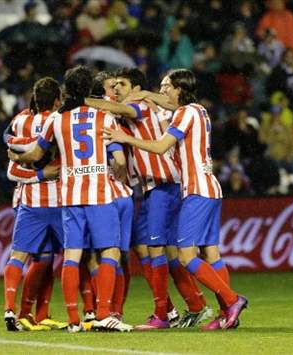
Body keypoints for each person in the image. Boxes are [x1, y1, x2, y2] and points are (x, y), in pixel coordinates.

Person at [103, 68, 248, 330]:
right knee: (211, 253)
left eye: (167, 86)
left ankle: (231, 300)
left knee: (185, 256)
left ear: (179, 90)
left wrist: (126, 138)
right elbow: (165, 104)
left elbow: (160, 147)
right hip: (210, 187)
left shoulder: (183, 113)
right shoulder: (200, 110)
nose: (163, 91)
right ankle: (227, 313)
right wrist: (147, 94)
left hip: (195, 189)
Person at [8, 65, 132, 333]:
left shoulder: (57, 120)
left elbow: (35, 154)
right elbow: (119, 160)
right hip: (99, 193)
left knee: (72, 256)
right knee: (109, 251)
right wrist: (119, 175)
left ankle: (74, 320)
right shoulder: (104, 117)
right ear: (90, 90)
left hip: (69, 195)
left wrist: (16, 156)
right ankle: (102, 314)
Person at [85, 68, 210, 330]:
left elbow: (127, 111)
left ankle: (162, 314)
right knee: (164, 251)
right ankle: (195, 305)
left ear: (136, 88)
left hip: (164, 185)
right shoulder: (133, 108)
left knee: (154, 250)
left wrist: (80, 100)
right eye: (114, 85)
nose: (116, 89)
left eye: (121, 84)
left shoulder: (141, 105)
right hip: (157, 187)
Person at [2, 77, 66, 331]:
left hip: (28, 198)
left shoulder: (19, 121)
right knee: (73, 257)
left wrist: (13, 146)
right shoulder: (60, 120)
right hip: (58, 200)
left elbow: (10, 159)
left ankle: (32, 313)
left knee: (38, 258)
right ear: (57, 99)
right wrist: (43, 173)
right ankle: (26, 312)